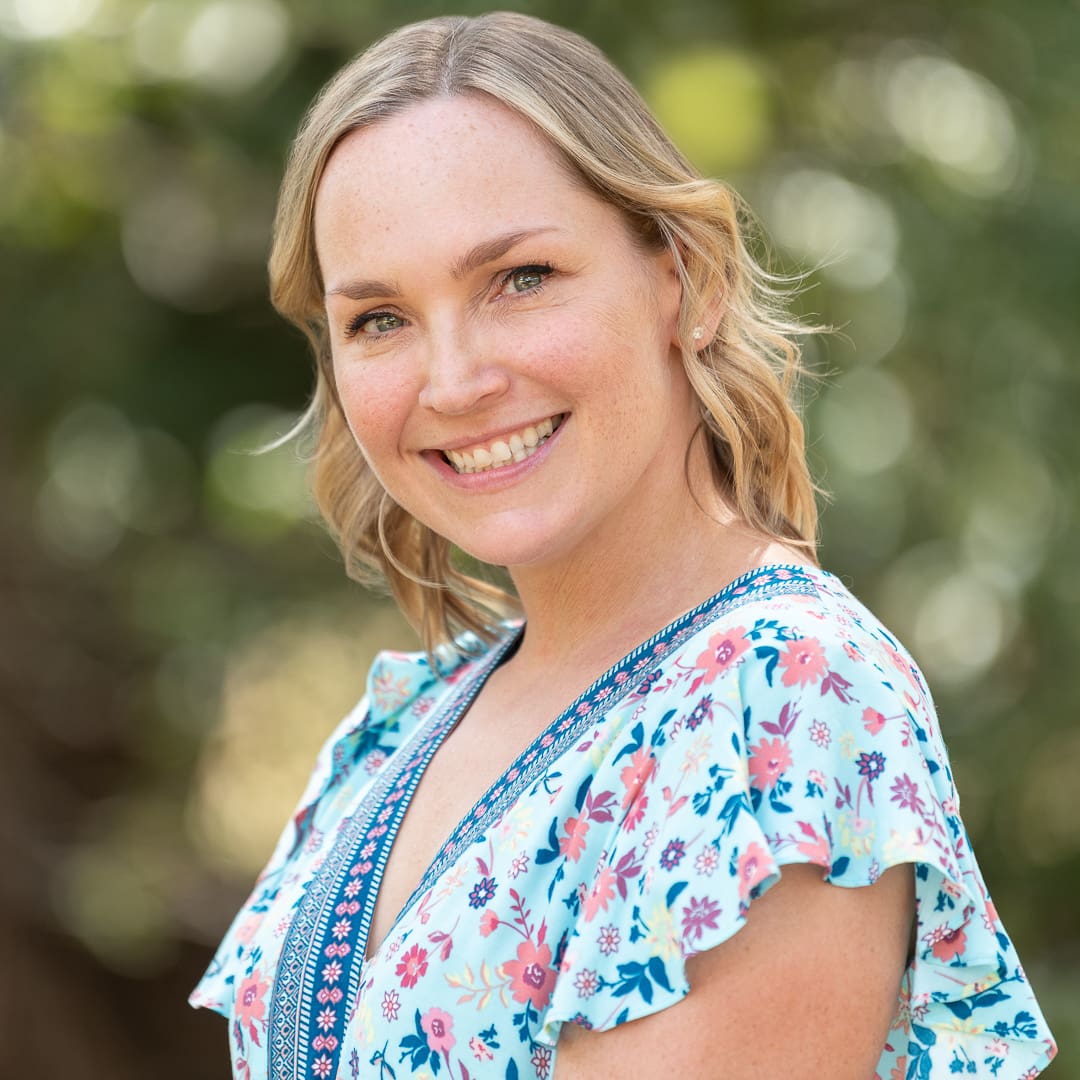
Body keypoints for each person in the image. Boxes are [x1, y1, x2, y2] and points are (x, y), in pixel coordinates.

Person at [190, 12, 1057, 1079]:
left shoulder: (782, 698)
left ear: (682, 281)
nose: (454, 380)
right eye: (380, 319)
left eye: (520, 279)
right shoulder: (396, 733)